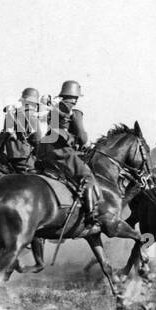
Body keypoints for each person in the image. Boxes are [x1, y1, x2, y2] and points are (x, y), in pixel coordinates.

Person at [35, 80, 109, 227]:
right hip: (61, 150)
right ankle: (90, 216)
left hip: (45, 150)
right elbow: (82, 137)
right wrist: (83, 142)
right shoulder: (75, 112)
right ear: (75, 97)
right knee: (87, 177)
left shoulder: (53, 109)